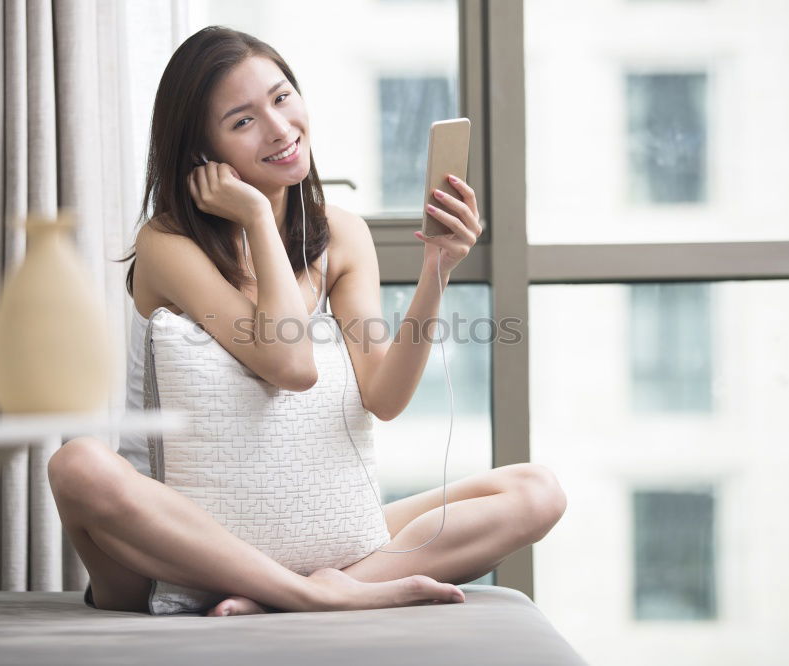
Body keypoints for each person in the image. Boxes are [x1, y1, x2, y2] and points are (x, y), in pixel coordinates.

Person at [47, 25, 567, 617]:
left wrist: (437, 270)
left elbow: (385, 395)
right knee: (78, 463)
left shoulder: (343, 234)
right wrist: (255, 216)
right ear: (202, 154)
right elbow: (290, 364)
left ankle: (299, 592)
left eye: (282, 96)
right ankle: (306, 594)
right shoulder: (168, 243)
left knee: (535, 492)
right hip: (173, 552)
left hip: (318, 533)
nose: (278, 127)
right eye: (242, 121)